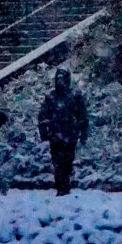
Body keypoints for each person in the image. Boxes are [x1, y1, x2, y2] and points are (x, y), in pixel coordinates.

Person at [37, 64, 89, 196]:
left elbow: (83, 116)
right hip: (55, 135)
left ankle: (64, 187)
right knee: (58, 163)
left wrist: (83, 133)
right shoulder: (52, 97)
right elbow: (43, 116)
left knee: (67, 162)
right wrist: (44, 132)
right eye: (58, 79)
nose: (60, 82)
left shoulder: (75, 96)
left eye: (63, 79)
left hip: (70, 135)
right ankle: (61, 188)